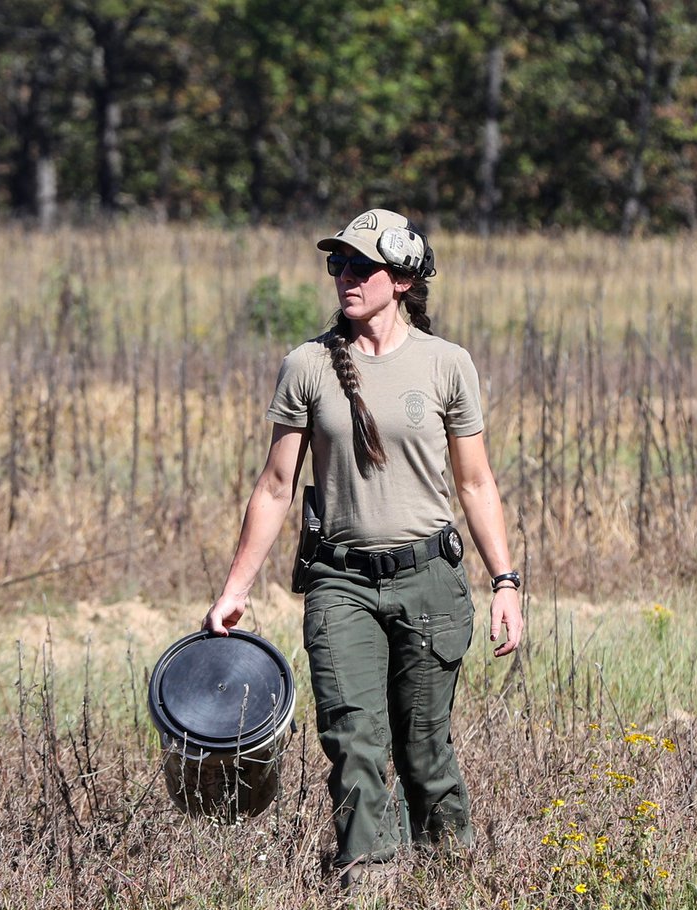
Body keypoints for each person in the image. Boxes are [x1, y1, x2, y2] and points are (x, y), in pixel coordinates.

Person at [203, 208, 524, 888]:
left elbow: (475, 482)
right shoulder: (308, 365)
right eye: (337, 265)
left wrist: (504, 582)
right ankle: (367, 885)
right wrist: (234, 590)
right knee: (352, 743)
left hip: (429, 581)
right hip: (339, 584)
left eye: (360, 266)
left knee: (422, 750)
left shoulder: (446, 365)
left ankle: (449, 881)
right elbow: (273, 487)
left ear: (402, 278)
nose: (345, 278)